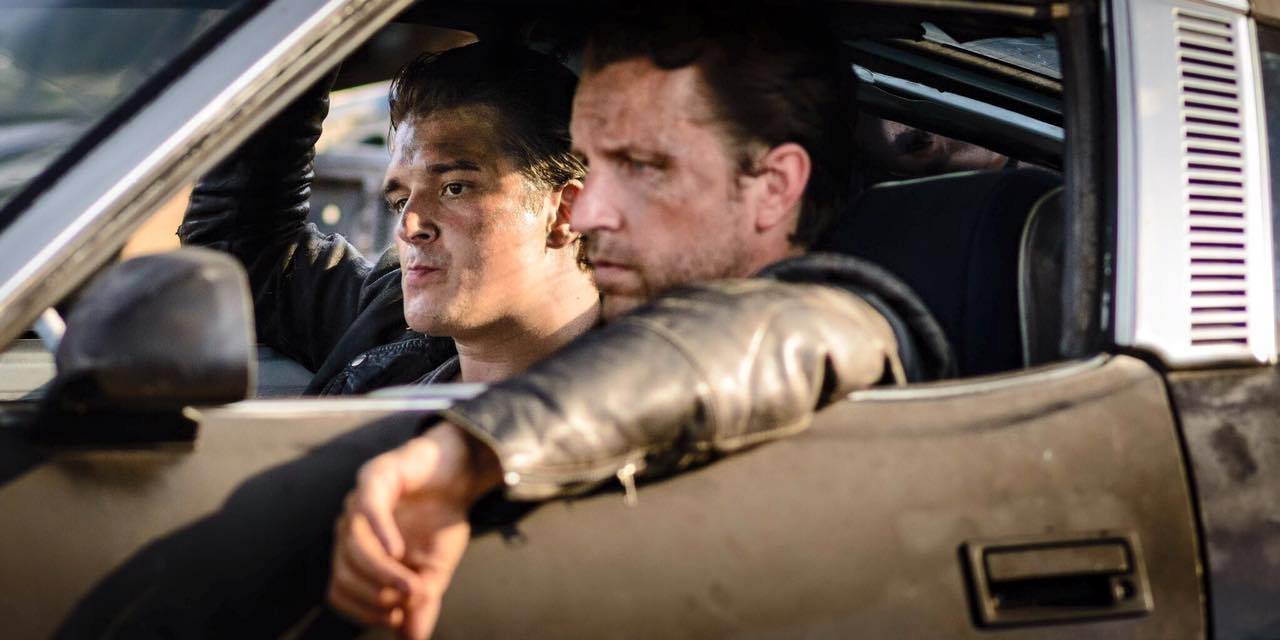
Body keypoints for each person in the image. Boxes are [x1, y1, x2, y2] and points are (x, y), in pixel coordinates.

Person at [327, 6, 954, 638]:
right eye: (595, 166)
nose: (588, 212)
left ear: (772, 186)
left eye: (642, 167)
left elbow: (762, 333)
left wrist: (467, 453)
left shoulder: (843, 322)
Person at [179, 43, 598, 391]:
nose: (409, 226)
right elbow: (239, 245)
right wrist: (305, 37)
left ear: (566, 212)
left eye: (455, 188)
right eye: (400, 200)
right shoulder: (386, 318)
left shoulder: (622, 407)